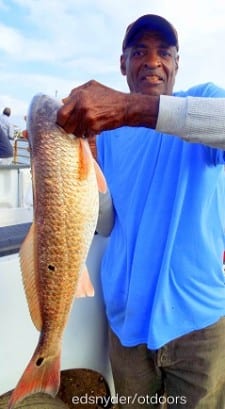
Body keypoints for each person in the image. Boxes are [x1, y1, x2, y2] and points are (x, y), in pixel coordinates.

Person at [57, 14, 225, 409]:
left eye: (164, 52)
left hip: (197, 323)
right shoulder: (109, 134)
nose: (153, 61)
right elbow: (107, 223)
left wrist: (130, 108)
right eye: (139, 52)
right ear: (122, 64)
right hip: (125, 321)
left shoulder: (204, 101)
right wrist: (88, 169)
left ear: (177, 63)